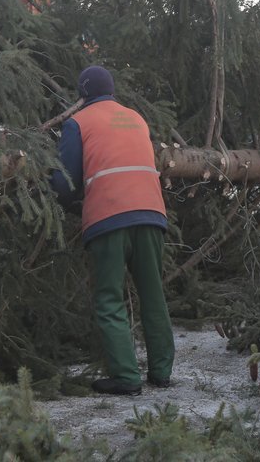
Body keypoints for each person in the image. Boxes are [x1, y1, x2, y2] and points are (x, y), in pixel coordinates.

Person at [51, 65, 175, 396]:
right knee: (153, 295)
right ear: (112, 91)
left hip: (109, 216)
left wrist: (66, 198)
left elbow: (65, 182)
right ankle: (161, 373)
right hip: (151, 213)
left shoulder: (77, 122)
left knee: (109, 298)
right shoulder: (135, 118)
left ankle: (126, 377)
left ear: (82, 95)